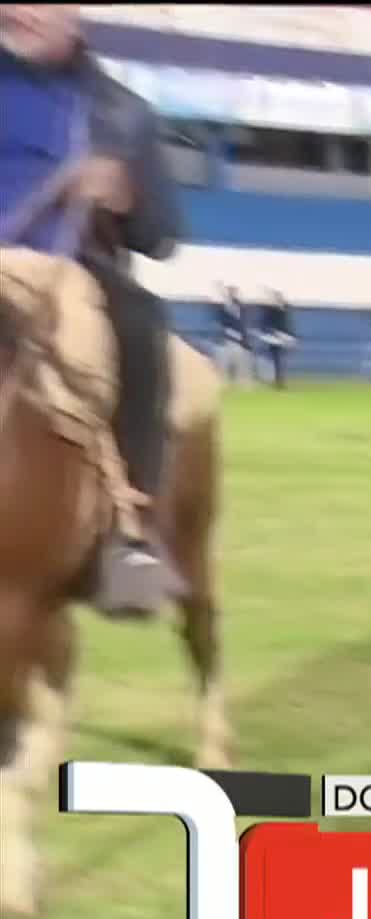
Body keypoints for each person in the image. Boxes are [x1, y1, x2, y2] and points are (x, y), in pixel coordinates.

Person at [1, 6, 186, 617]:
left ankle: (129, 537)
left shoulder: (123, 113)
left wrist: (127, 195)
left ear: (73, 15)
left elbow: (162, 236)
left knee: (139, 322)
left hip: (67, 270)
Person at [216, 284, 253, 385]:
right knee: (229, 358)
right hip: (229, 336)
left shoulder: (240, 305)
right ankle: (229, 379)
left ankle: (239, 379)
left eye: (233, 291)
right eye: (230, 291)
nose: (232, 293)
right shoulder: (225, 306)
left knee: (239, 359)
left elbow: (242, 321)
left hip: (239, 337)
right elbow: (223, 320)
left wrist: (242, 335)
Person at [260, 289, 294, 389]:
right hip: (274, 339)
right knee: (277, 361)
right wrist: (274, 333)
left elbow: (288, 324)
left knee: (281, 362)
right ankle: (278, 382)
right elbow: (267, 324)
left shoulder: (285, 309)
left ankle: (280, 381)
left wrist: (289, 336)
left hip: (284, 339)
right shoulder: (270, 310)